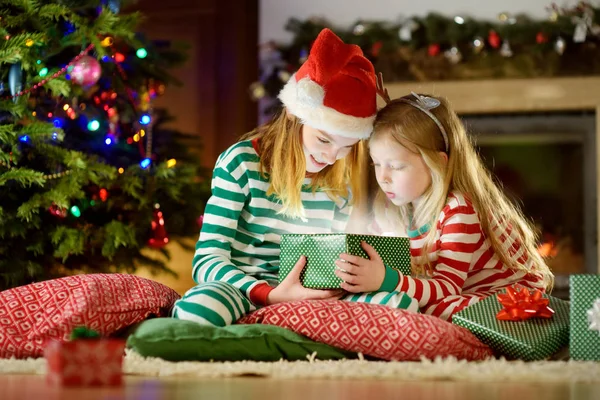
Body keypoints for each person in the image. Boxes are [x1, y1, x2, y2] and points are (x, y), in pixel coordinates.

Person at [172, 29, 417, 327]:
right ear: (294, 115)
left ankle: (280, 328)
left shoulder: (339, 181)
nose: (332, 157)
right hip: (241, 289)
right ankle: (269, 324)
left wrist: (352, 277)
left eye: (347, 147)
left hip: (309, 295)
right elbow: (207, 261)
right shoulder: (241, 163)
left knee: (399, 304)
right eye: (324, 140)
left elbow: (325, 261)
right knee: (198, 313)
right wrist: (270, 294)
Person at [333, 87, 554, 321]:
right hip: (458, 293)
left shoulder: (459, 210)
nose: (383, 177)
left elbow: (446, 288)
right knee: (386, 302)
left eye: (396, 166)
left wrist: (387, 280)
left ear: (437, 163)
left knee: (432, 308)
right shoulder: (392, 210)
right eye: (377, 164)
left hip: (508, 298)